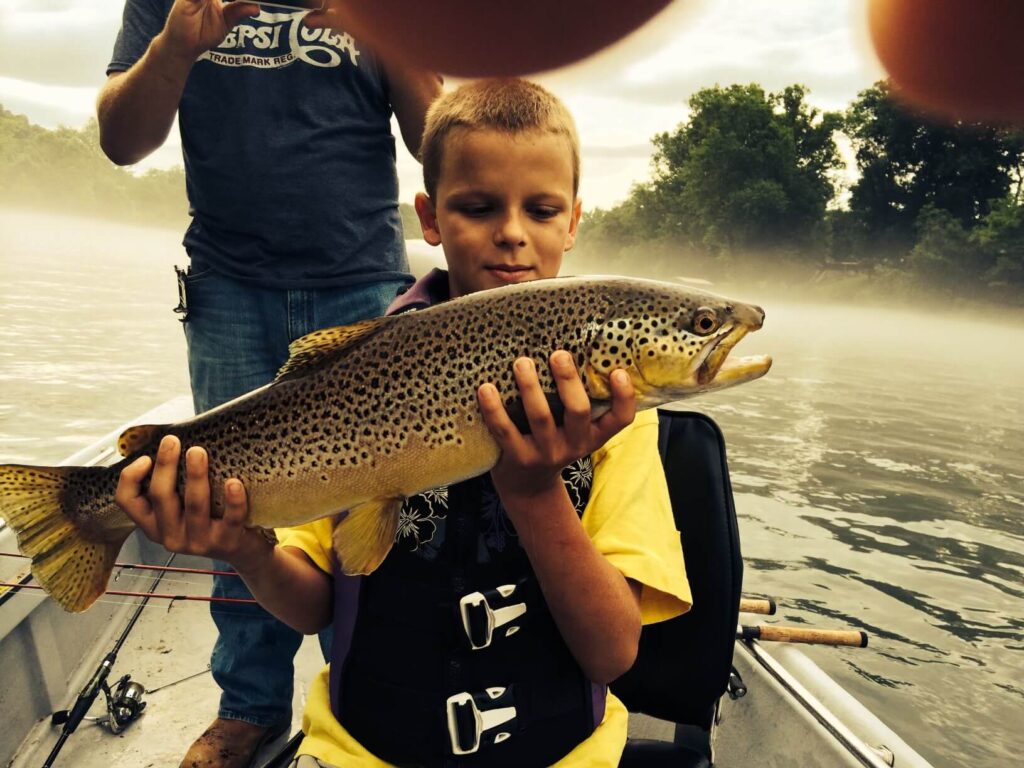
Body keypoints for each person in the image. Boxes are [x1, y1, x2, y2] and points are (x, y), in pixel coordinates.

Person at [115, 78, 692, 767]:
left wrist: (536, 495)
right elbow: (313, 609)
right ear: (429, 216)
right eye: (477, 207)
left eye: (540, 211)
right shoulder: (364, 369)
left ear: (572, 222)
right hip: (359, 750)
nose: (512, 234)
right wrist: (245, 548)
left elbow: (613, 652)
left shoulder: (617, 422)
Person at [96, 1, 441, 765]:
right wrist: (175, 45)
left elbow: (438, 141)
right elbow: (122, 141)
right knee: (233, 508)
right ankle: (249, 706)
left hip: (366, 289)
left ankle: (370, 694)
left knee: (382, 508)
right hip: (229, 287)